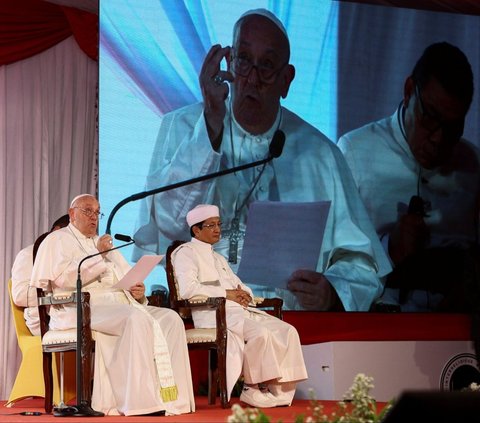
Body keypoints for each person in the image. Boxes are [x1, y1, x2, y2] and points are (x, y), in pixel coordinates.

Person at [134, 8, 391, 312]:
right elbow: (166, 223)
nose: (252, 78)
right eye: (243, 60)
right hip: (196, 324)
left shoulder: (321, 155)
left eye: (266, 66)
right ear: (229, 63)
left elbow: (363, 262)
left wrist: (334, 291)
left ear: (286, 79)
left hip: (287, 327)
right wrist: (211, 126)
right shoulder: (181, 127)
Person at [337, 42, 480, 312]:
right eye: (430, 118)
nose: (438, 138)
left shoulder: (473, 166)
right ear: (408, 91)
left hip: (456, 334)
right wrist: (390, 250)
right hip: (380, 330)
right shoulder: (355, 152)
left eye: (452, 127)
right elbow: (334, 267)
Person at [30, 194, 195, 416]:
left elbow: (126, 276)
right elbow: (66, 280)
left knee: (170, 319)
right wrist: (99, 254)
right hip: (77, 309)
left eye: (97, 212)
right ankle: (139, 403)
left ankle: (173, 400)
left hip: (117, 305)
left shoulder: (103, 242)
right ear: (72, 213)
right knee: (134, 318)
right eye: (88, 211)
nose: (94, 217)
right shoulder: (57, 240)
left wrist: (138, 292)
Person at [172, 204, 308, 408]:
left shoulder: (218, 257)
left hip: (239, 311)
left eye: (219, 224)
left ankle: (279, 390)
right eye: (211, 225)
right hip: (213, 313)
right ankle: (252, 388)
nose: (217, 229)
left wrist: (245, 295)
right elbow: (188, 290)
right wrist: (227, 294)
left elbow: (237, 283)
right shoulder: (186, 253)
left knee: (287, 331)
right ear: (196, 230)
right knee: (259, 333)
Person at [11, 214, 70, 335]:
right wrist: (56, 291)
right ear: (56, 232)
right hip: (42, 321)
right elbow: (20, 295)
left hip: (69, 315)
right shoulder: (28, 254)